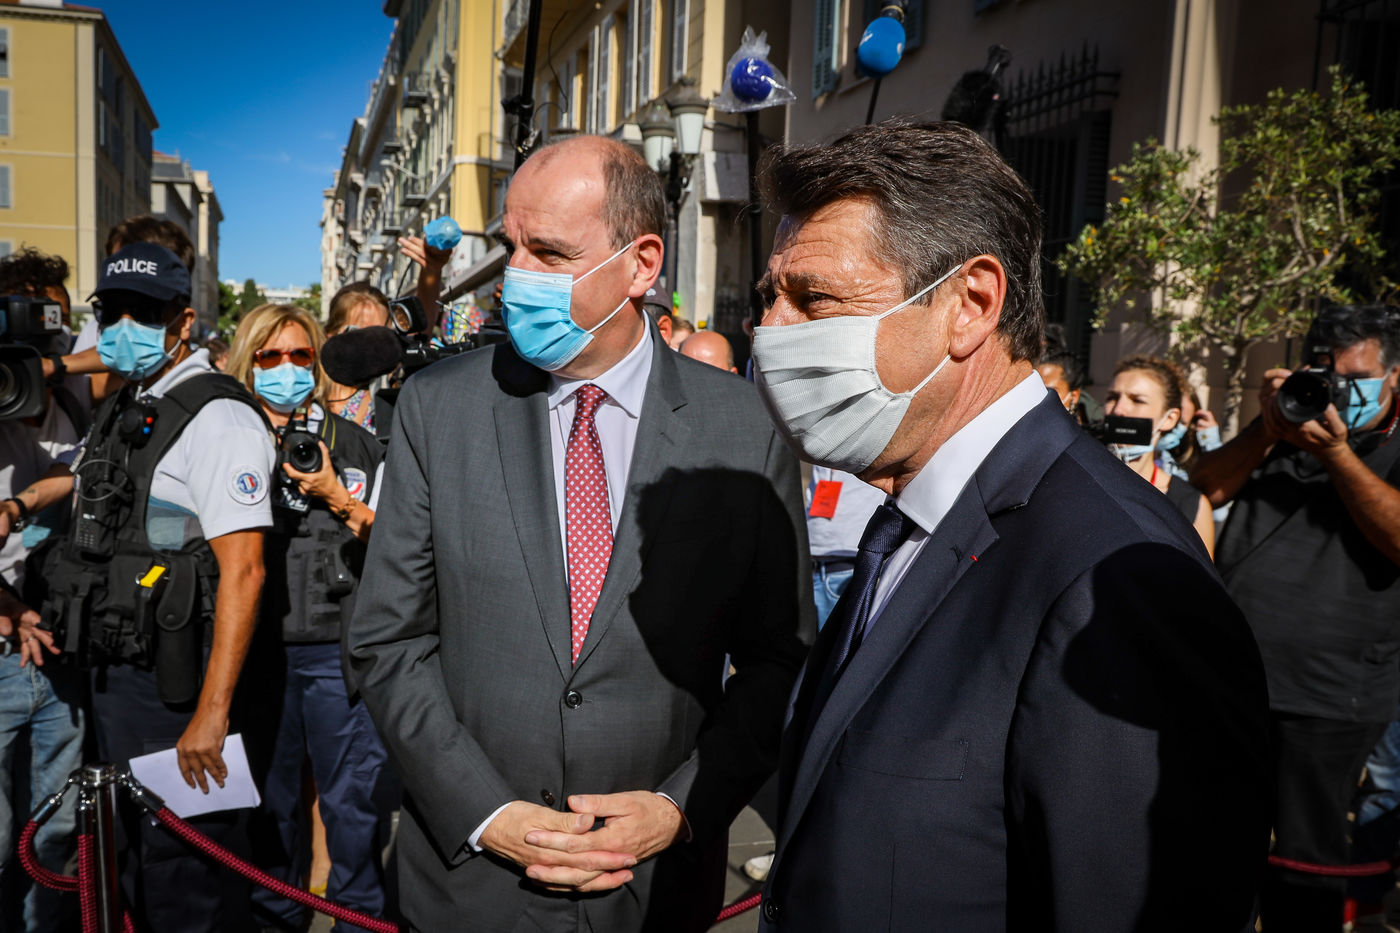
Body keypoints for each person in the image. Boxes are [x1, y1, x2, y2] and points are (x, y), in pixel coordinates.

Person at [749, 119, 1269, 931]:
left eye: (815, 298)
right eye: (768, 298)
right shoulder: (912, 515)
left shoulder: (1118, 578)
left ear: (971, 305)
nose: (771, 332)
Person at [346, 133, 813, 933]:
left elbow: (779, 658)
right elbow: (387, 640)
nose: (516, 276)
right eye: (512, 247)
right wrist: (486, 811)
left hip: (654, 888)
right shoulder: (438, 407)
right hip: (470, 887)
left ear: (641, 264)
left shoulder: (743, 427)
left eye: (552, 253)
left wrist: (679, 806)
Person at [19, 240, 275, 932]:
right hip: (118, 676)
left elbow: (245, 569)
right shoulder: (131, 400)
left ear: (183, 321)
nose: (125, 325)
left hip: (179, 689)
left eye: (145, 312)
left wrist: (212, 715)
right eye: (113, 312)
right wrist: (19, 504)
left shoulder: (219, 418)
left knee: (185, 871)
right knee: (133, 859)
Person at [1191, 303, 1400, 933]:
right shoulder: (1286, 424)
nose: (1337, 390)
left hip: (1332, 694)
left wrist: (1337, 455)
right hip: (1238, 678)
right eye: (1326, 374)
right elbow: (1203, 489)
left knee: (1305, 861)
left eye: (1356, 378)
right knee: (1215, 841)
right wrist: (1267, 427)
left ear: (1394, 375)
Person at [224, 304, 389, 932]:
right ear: (248, 362)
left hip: (338, 655)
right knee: (270, 810)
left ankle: (359, 920)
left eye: (300, 354)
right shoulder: (226, 440)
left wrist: (335, 496)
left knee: (352, 810)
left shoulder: (357, 445)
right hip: (255, 655)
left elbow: (399, 544)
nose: (286, 368)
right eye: (270, 355)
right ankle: (276, 919)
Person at [1102, 355, 1215, 555]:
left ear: (1170, 419)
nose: (1118, 410)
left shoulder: (1189, 504)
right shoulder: (1073, 477)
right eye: (1112, 397)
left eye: (1137, 400)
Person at [323, 281, 391, 432]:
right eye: (359, 333)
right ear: (331, 335)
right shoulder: (308, 393)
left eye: (381, 334)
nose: (371, 344)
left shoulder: (388, 394)